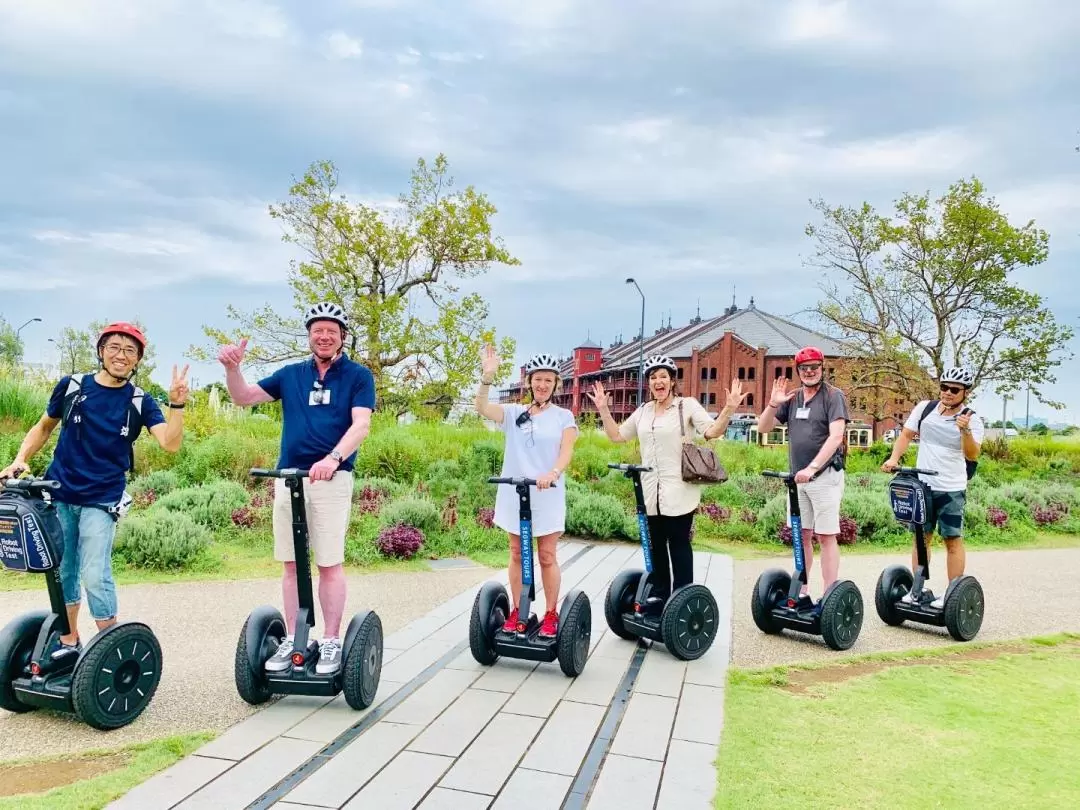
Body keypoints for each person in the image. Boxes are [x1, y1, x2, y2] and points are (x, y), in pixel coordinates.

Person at [0, 322, 189, 666]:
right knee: (65, 571)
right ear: (101, 351)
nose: (121, 355)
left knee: (95, 573)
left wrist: (177, 406)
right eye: (114, 347)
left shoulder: (139, 401)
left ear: (137, 361)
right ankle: (70, 641)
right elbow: (43, 426)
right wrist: (20, 460)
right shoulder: (72, 387)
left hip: (102, 499)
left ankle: (108, 650)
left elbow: (170, 444)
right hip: (60, 493)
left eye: (130, 351)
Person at [218, 302, 375, 675]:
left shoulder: (357, 375)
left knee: (328, 564)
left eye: (331, 331)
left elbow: (361, 425)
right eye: (317, 330)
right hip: (288, 480)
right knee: (291, 564)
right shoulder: (291, 375)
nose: (324, 336)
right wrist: (232, 369)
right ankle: (293, 637)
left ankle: (333, 640)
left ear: (341, 337)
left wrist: (332, 459)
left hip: (331, 480)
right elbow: (243, 397)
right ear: (309, 336)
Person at [587, 354, 745, 603]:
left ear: (672, 381)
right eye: (653, 377)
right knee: (656, 546)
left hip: (679, 490)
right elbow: (617, 436)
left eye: (663, 376)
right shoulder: (643, 411)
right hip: (651, 492)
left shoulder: (687, 405)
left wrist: (729, 408)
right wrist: (604, 410)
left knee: (679, 545)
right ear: (648, 383)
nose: (658, 382)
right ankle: (660, 597)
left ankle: (682, 601)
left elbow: (711, 432)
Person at [475, 345, 578, 637]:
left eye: (548, 380)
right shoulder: (514, 412)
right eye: (537, 379)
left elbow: (566, 451)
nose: (542, 384)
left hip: (547, 493)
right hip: (515, 493)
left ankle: (550, 613)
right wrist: (487, 376)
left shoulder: (563, 417)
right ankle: (520, 611)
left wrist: (553, 472)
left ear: (556, 383)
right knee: (517, 554)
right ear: (529, 382)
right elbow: (481, 407)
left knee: (546, 555)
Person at [755, 346, 849, 607]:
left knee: (826, 536)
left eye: (814, 367)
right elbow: (763, 428)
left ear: (822, 368)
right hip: (798, 481)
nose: (809, 372)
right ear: (798, 371)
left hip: (824, 477)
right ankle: (803, 590)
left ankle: (830, 596)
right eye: (804, 368)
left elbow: (836, 436)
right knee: (802, 534)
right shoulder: (793, 398)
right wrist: (774, 403)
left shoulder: (833, 396)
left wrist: (813, 467)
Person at [881, 366, 983, 607]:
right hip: (923, 484)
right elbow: (906, 435)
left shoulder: (972, 418)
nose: (947, 392)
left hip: (951, 488)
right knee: (921, 537)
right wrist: (894, 459)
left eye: (954, 389)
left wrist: (964, 430)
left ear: (964, 392)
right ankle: (917, 589)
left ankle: (953, 594)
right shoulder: (925, 408)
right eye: (944, 387)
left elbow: (973, 454)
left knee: (952, 539)